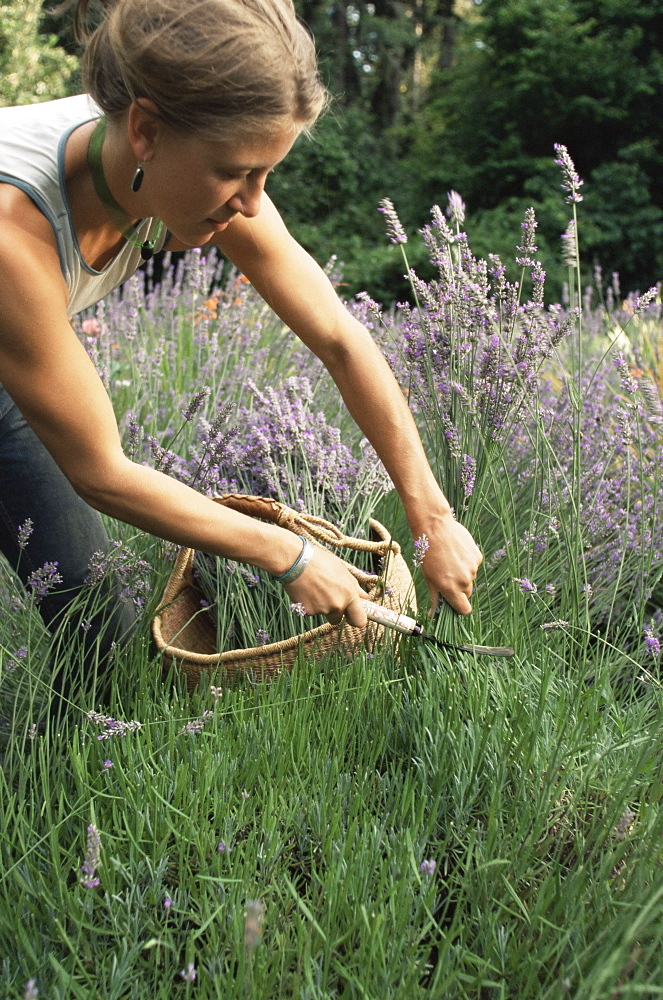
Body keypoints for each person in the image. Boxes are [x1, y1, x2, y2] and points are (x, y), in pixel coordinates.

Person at [0, 0, 482, 720]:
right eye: (238, 173)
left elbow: (339, 340)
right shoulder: (13, 225)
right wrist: (284, 553)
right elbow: (101, 473)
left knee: (96, 625)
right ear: (145, 131)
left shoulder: (171, 151)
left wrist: (432, 515)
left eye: (268, 173)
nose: (254, 205)